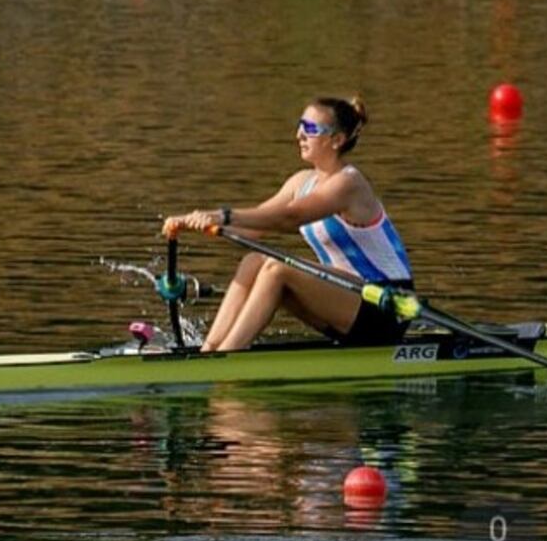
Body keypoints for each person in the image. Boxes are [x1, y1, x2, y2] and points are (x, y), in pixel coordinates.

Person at [162, 96, 413, 352]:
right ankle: (210, 350)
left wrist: (223, 216)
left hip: (388, 306)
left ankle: (228, 355)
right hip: (348, 299)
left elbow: (289, 217)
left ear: (337, 140)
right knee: (253, 261)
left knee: (277, 270)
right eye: (301, 125)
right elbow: (253, 227)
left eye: (311, 129)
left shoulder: (348, 184)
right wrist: (192, 221)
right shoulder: (301, 182)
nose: (299, 135)